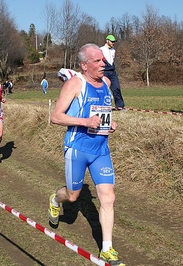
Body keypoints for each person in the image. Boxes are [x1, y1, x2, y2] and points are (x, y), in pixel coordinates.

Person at [48, 44, 125, 265]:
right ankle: (54, 199)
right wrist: (85, 122)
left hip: (100, 150)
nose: (104, 64)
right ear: (84, 65)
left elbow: (103, 116)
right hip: (77, 148)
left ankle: (107, 249)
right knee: (72, 196)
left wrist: (110, 125)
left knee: (108, 198)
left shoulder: (107, 84)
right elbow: (56, 117)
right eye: (97, 61)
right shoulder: (75, 84)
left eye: (103, 60)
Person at [100, 34, 125, 110]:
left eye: (114, 41)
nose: (113, 43)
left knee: (116, 88)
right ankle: (102, 105)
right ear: (107, 41)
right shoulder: (101, 50)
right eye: (112, 41)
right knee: (103, 89)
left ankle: (120, 105)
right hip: (104, 72)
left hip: (112, 72)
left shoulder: (113, 51)